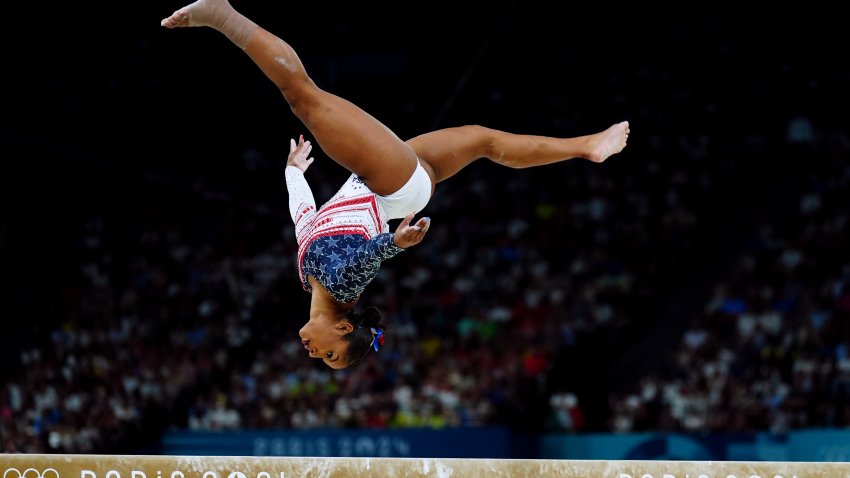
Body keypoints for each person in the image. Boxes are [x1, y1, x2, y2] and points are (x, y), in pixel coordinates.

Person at [160, 0, 630, 369]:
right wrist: (395, 243)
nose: (313, 354)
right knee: (303, 98)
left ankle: (586, 146)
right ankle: (223, 15)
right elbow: (365, 259)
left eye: (321, 361)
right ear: (343, 332)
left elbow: (304, 222)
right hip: (389, 186)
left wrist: (293, 173)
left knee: (484, 140)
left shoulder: (310, 278)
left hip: (399, 186)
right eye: (330, 355)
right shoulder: (342, 287)